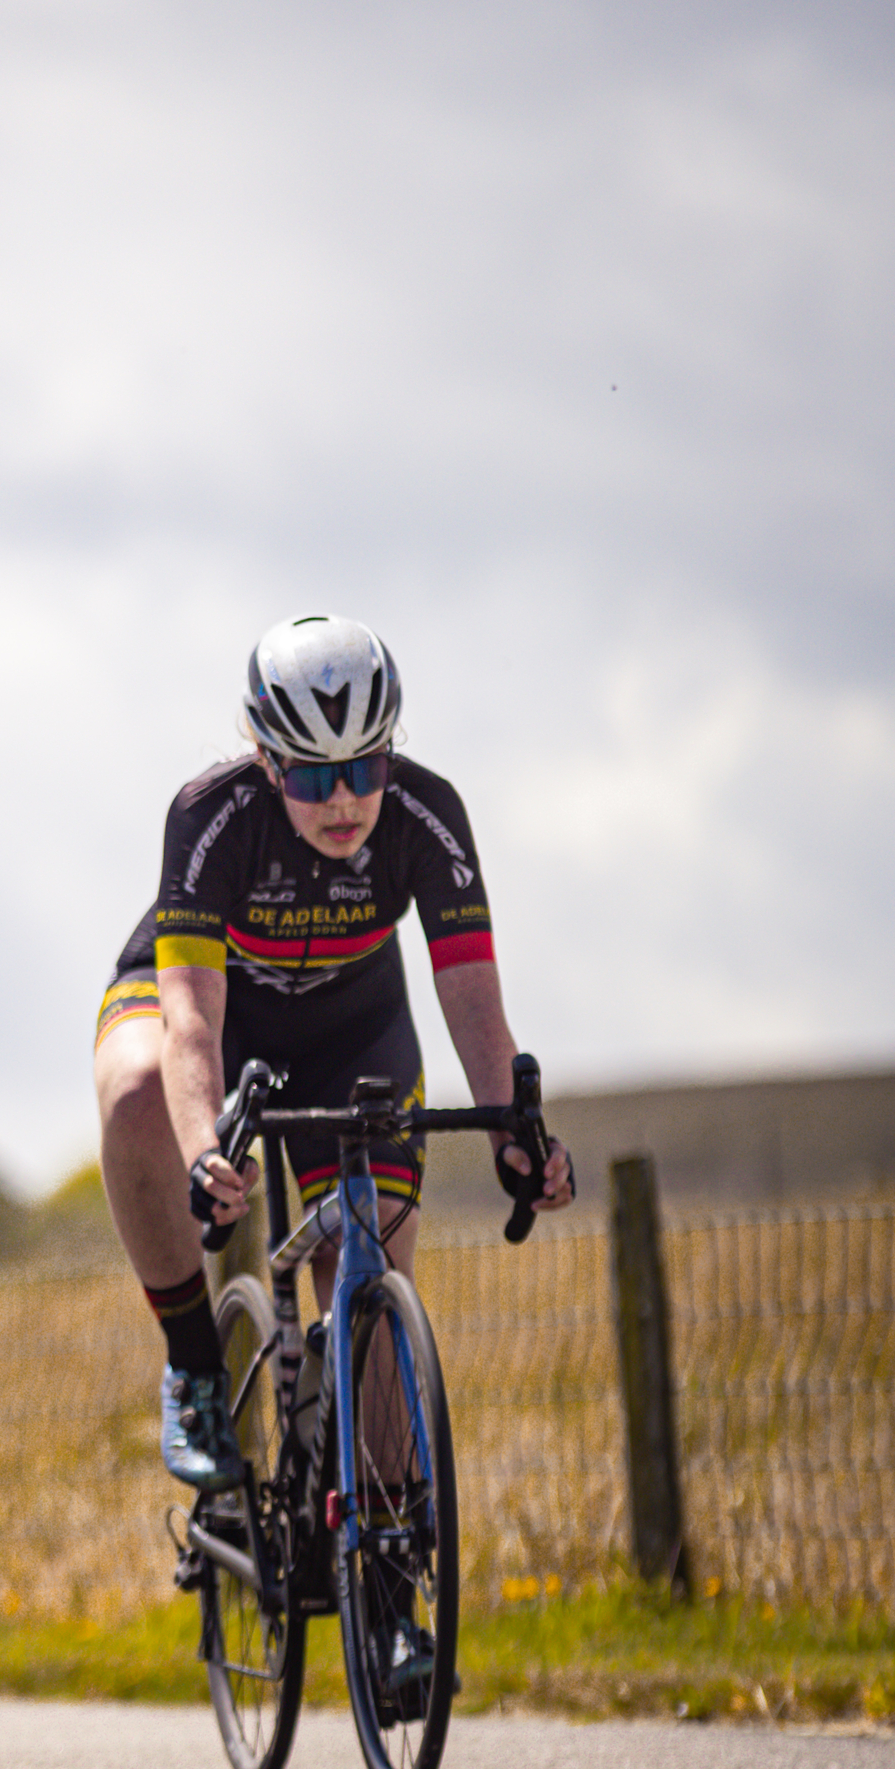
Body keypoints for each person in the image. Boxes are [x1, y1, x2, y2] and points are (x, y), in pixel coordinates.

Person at [93, 612, 575, 1490]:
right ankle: (195, 1365)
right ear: (269, 763)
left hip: (351, 1024)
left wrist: (517, 1129)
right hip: (215, 1005)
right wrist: (202, 1148)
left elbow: (471, 998)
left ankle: (390, 1558)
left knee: (371, 1275)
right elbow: (192, 1018)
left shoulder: (428, 815)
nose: (345, 799)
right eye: (315, 776)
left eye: (366, 767)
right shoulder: (213, 815)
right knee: (134, 1090)